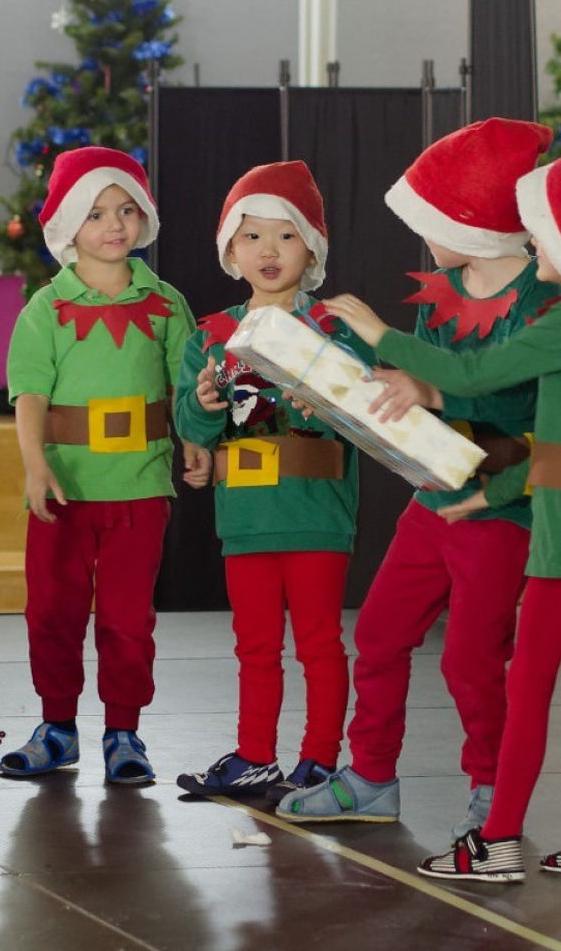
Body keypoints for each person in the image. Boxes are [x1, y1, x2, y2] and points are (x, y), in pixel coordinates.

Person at [276, 118, 555, 835]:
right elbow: (413, 380)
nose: (425, 239)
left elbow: (504, 397)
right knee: (380, 631)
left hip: (502, 508)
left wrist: (433, 393)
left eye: (434, 221)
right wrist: (344, 392)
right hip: (433, 497)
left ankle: (495, 791)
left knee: (470, 659)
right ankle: (371, 776)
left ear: (476, 221)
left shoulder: (544, 302)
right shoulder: (443, 292)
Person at [173, 161, 374, 801]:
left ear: (312, 247)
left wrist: (338, 397)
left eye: (286, 235)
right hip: (246, 518)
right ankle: (255, 754)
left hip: (319, 513)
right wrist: (201, 409)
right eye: (253, 235)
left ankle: (318, 759)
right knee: (255, 646)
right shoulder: (211, 336)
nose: (269, 250)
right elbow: (190, 424)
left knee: (319, 643)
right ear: (230, 249)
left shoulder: (338, 330)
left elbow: (374, 414)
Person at [0, 146, 200, 785]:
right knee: (52, 612)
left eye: (126, 210)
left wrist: (197, 440)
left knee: (126, 619)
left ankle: (124, 732)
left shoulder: (167, 303)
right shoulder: (44, 310)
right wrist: (35, 466)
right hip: (65, 491)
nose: (114, 226)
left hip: (140, 490)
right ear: (67, 227)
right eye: (95, 214)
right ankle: (56, 727)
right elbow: (28, 394)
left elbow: (186, 388)